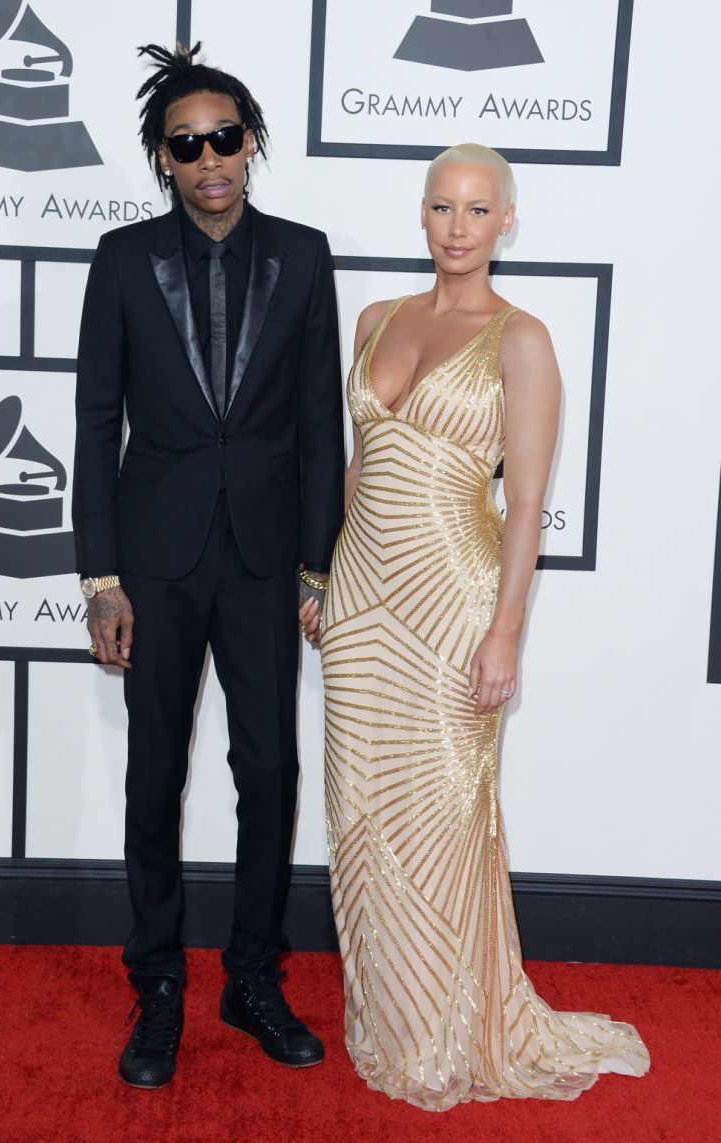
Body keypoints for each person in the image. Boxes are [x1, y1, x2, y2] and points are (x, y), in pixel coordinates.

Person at [315, 143, 650, 1110]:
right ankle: (389, 1012)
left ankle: (450, 1025)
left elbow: (531, 504)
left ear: (507, 220)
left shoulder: (523, 339)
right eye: (440, 208)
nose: (456, 228)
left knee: (441, 817)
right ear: (420, 215)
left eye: (475, 210)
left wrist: (505, 631)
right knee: (362, 813)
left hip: (452, 605)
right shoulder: (376, 320)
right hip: (364, 601)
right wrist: (327, 578)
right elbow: (357, 467)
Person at [72, 42, 344, 1089]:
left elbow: (321, 425)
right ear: (163, 160)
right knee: (155, 777)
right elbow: (97, 423)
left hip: (266, 562)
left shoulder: (307, 256)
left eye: (225, 137)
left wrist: (316, 566)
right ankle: (158, 986)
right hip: (157, 561)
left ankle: (250, 976)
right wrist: (101, 578)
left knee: (268, 771)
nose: (210, 158)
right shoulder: (120, 260)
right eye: (187, 144)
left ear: (252, 142)